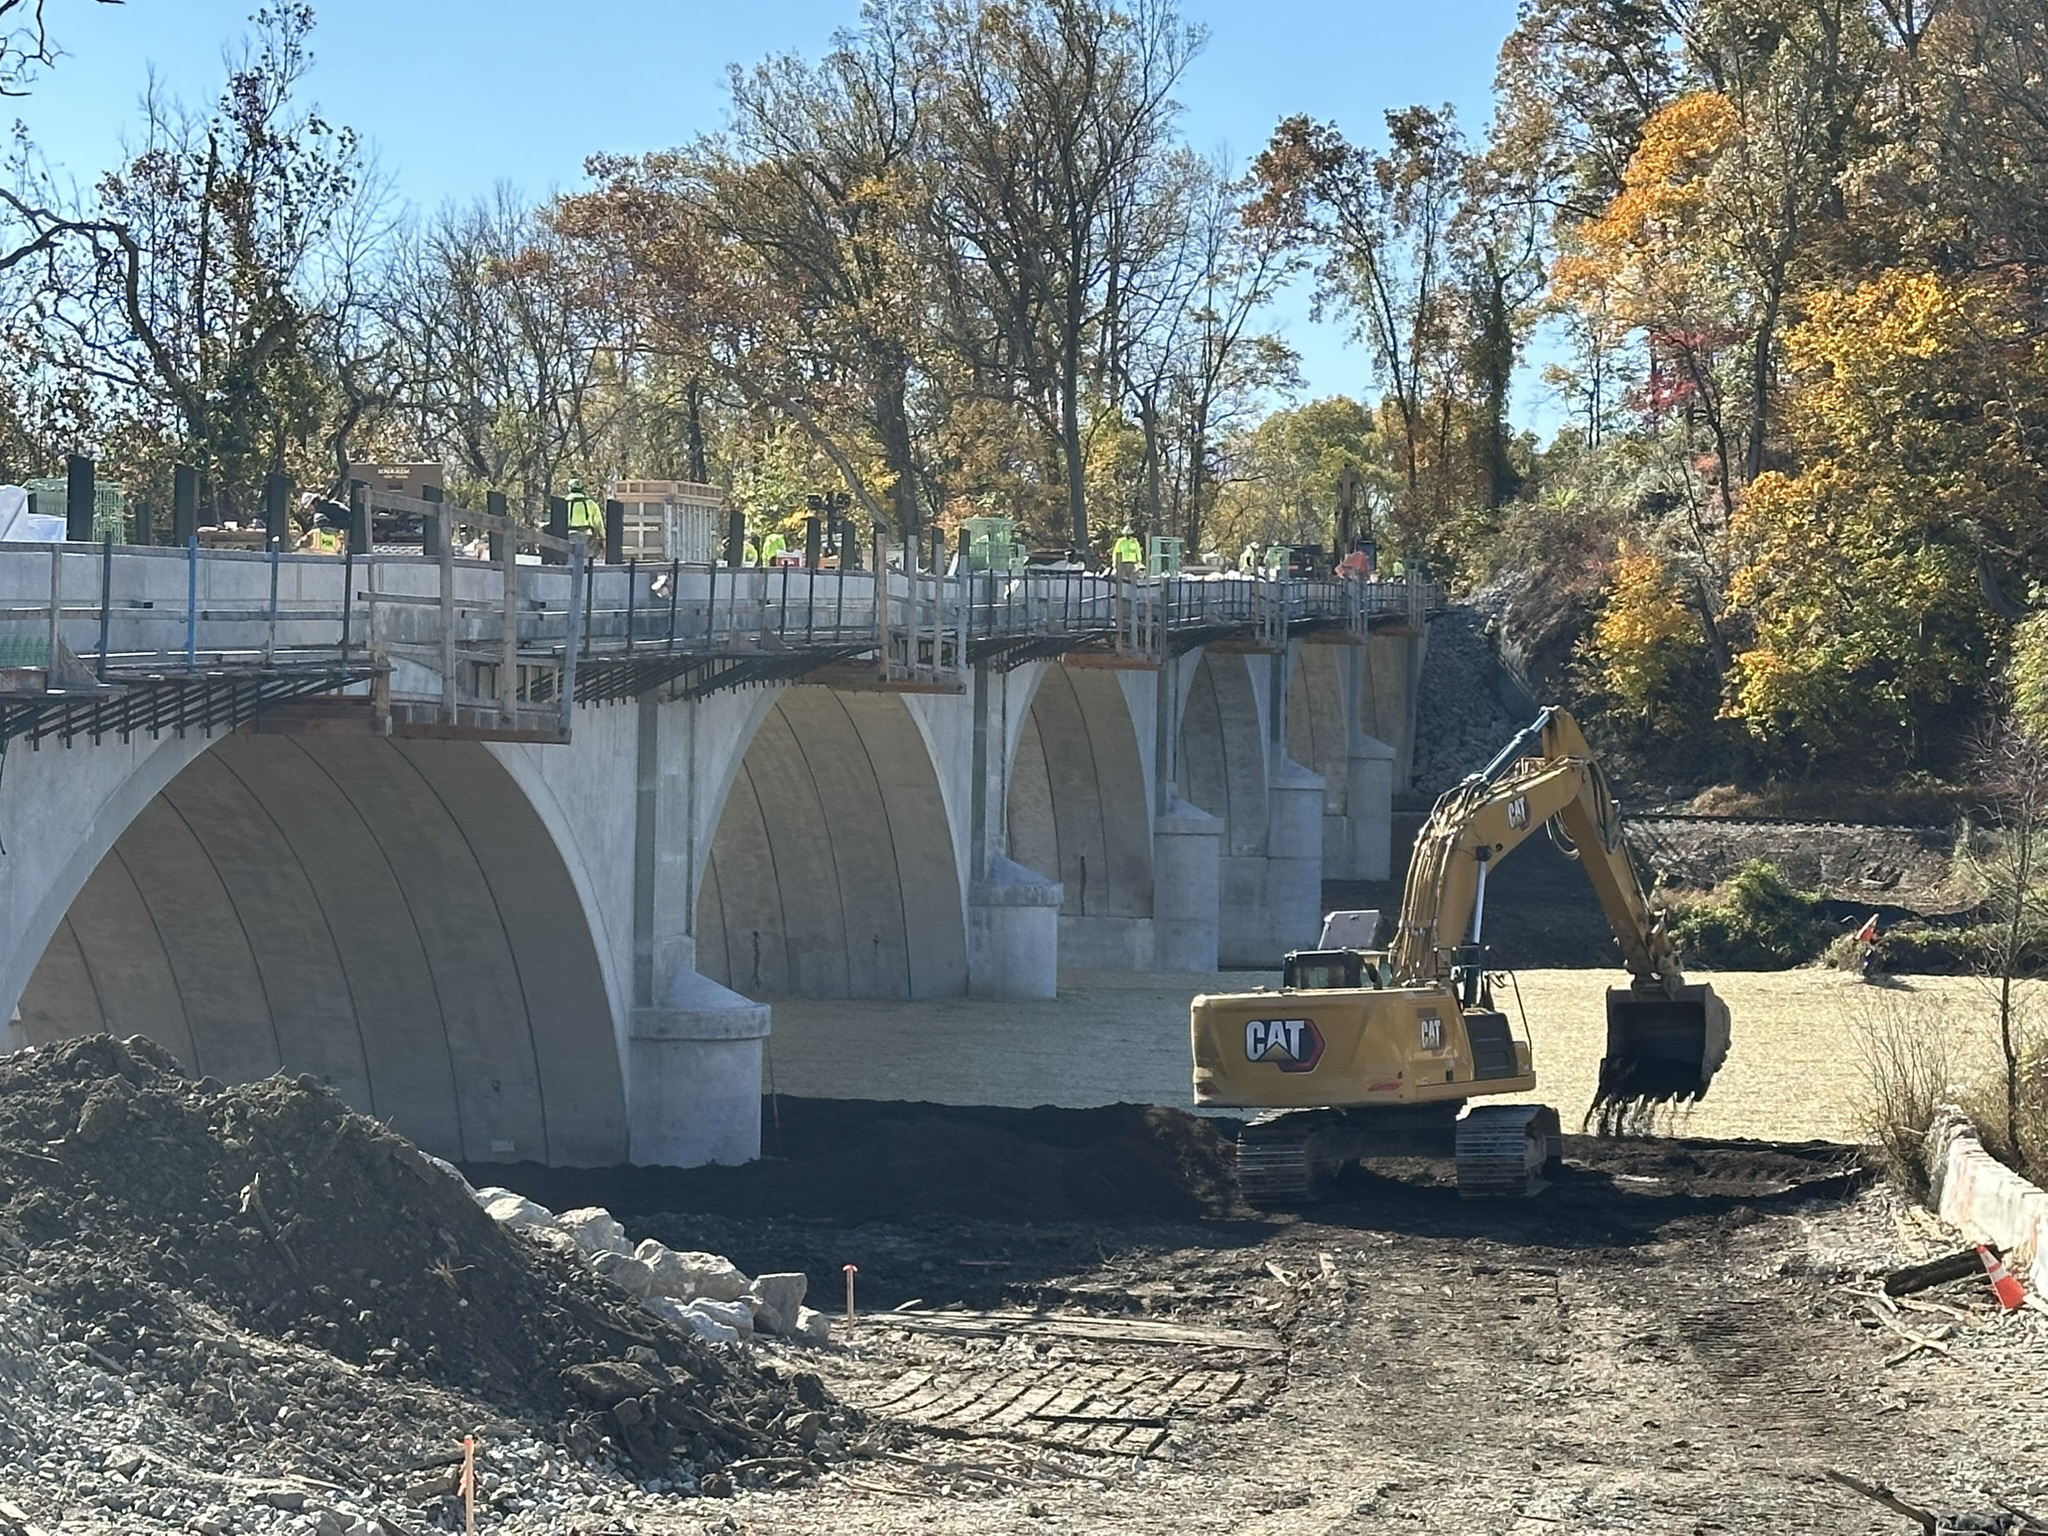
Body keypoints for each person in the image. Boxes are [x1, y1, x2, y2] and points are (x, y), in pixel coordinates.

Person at [564, 476, 605, 555]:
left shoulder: (564, 503)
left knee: (570, 561)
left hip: (569, 535)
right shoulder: (591, 503)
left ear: (569, 489)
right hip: (587, 536)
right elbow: (598, 523)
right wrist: (602, 538)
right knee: (585, 562)